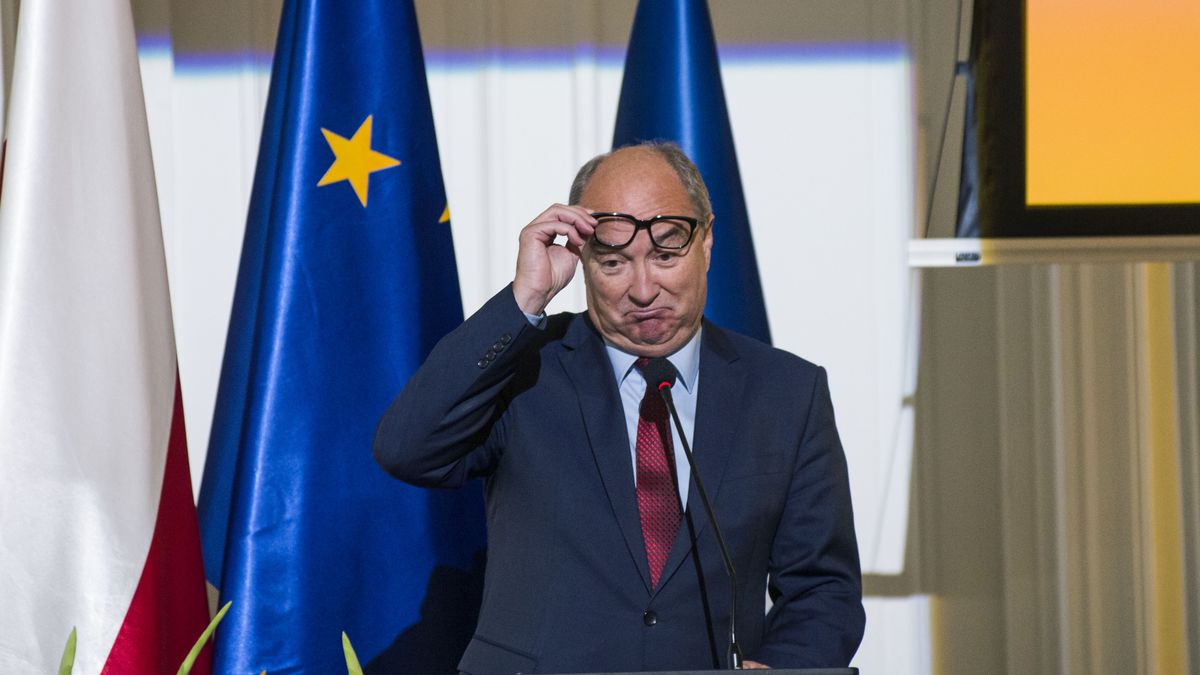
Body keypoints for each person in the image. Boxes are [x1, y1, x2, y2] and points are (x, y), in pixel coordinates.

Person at [373, 141, 864, 674]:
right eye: (613, 262)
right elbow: (406, 449)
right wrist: (524, 300)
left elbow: (823, 588)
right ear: (582, 259)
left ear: (707, 242)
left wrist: (783, 667)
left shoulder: (786, 392)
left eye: (666, 255)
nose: (643, 288)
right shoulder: (523, 370)